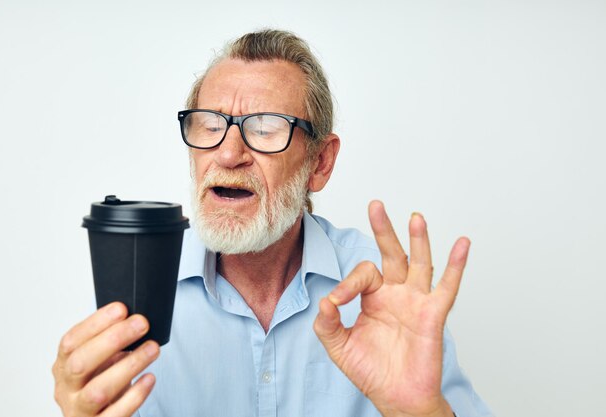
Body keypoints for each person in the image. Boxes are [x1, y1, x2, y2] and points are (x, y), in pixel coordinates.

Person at [52, 29, 493, 417]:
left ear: (320, 162)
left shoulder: (386, 294)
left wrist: (421, 414)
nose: (228, 154)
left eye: (265, 129)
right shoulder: (137, 288)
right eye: (209, 125)